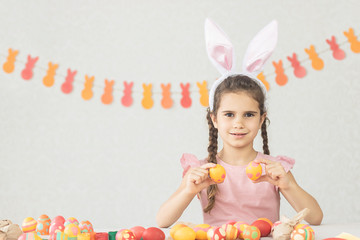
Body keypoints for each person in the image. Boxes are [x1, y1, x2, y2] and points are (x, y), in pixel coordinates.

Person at [156, 19, 323, 228]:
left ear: (262, 119)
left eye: (249, 115)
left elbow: (316, 218)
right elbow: (162, 221)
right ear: (214, 119)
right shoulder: (202, 169)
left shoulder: (273, 169)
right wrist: (189, 190)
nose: (238, 123)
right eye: (229, 114)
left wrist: (287, 185)